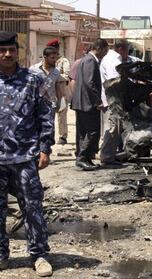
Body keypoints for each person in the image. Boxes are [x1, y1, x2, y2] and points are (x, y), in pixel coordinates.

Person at [0, 32, 54, 276]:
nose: (7, 54)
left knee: (32, 207)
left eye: (11, 49)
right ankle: (1, 255)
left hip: (25, 157)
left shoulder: (32, 80)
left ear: (17, 51)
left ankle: (39, 255)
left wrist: (45, 148)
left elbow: (45, 115)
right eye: (3, 50)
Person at [70, 38, 109, 171]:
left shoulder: (86, 59)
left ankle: (84, 159)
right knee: (93, 131)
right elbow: (89, 82)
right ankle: (82, 158)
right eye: (105, 50)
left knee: (83, 132)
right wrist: (98, 100)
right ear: (99, 48)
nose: (105, 53)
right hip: (87, 103)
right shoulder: (90, 60)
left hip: (82, 102)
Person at [100, 39, 139, 166]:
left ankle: (111, 155)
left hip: (115, 99)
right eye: (127, 50)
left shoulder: (114, 58)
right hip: (112, 100)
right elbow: (115, 81)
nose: (128, 54)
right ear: (121, 49)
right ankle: (107, 157)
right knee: (112, 128)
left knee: (116, 128)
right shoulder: (113, 60)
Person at [46, 39, 71, 145]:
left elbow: (67, 76)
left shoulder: (63, 61)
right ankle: (49, 135)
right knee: (48, 114)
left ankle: (62, 136)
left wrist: (55, 77)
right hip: (48, 92)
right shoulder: (46, 60)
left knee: (61, 115)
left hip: (60, 91)